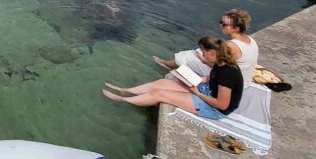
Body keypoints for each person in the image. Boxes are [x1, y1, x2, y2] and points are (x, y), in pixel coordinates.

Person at [103, 36, 244, 119]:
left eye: (203, 53)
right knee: (161, 83)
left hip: (214, 109)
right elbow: (212, 77)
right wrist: (201, 80)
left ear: (212, 53)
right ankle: (126, 90)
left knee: (159, 94)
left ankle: (123, 100)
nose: (201, 55)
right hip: (208, 91)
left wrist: (197, 93)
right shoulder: (220, 62)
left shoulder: (227, 73)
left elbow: (222, 105)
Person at [153, 9, 260, 85]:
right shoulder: (250, 40)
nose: (221, 26)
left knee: (189, 57)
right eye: (221, 22)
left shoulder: (231, 46)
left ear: (236, 28)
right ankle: (172, 64)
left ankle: (166, 63)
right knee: (199, 51)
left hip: (232, 82)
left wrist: (204, 61)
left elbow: (220, 68)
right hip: (243, 78)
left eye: (225, 24)